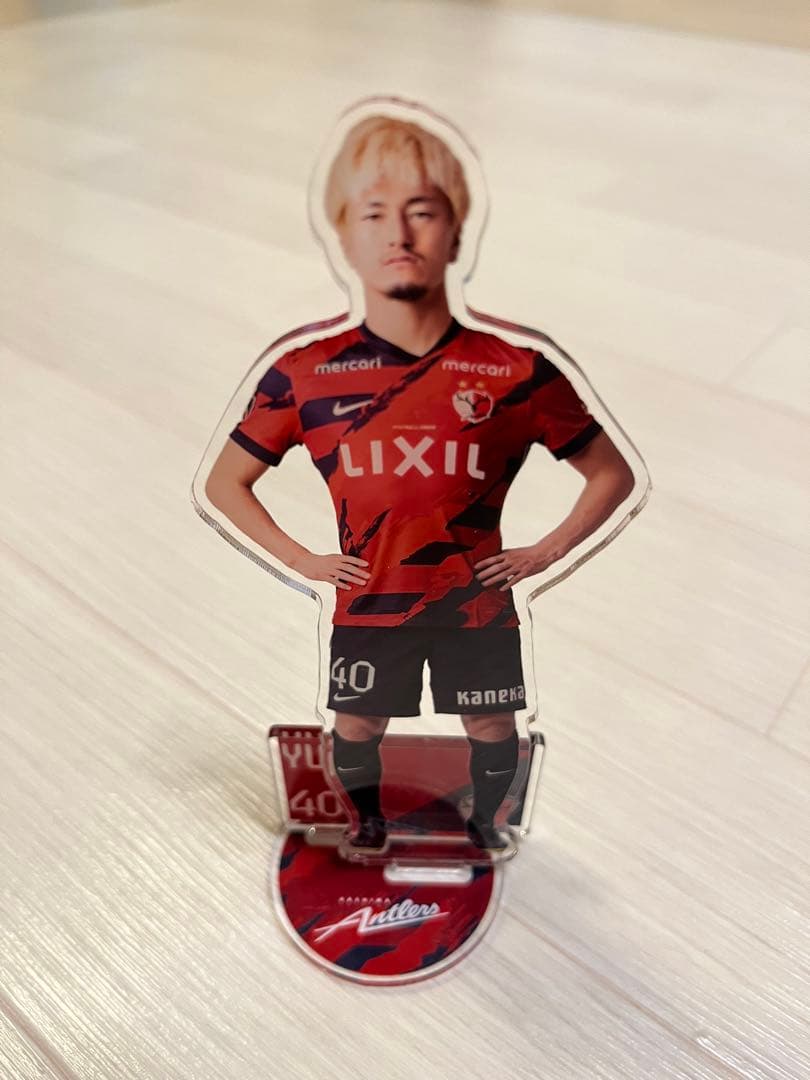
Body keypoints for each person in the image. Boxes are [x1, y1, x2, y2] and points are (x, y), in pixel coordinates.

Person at [205, 114, 635, 852]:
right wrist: (303, 560)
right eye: (374, 213)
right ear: (343, 235)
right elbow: (225, 484)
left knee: (492, 724)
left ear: (457, 232)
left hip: (477, 603)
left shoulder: (516, 370)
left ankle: (485, 829)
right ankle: (368, 826)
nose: (399, 233)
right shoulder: (303, 373)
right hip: (371, 602)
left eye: (423, 211)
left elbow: (612, 473)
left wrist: (545, 551)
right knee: (357, 721)